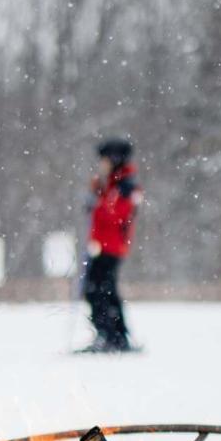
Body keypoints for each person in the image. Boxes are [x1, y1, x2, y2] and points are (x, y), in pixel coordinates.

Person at [83, 137, 143, 352]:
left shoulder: (125, 186)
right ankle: (114, 336)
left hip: (111, 246)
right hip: (103, 244)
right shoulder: (113, 183)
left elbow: (115, 215)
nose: (102, 163)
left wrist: (97, 203)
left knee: (98, 290)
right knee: (103, 290)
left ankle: (109, 335)